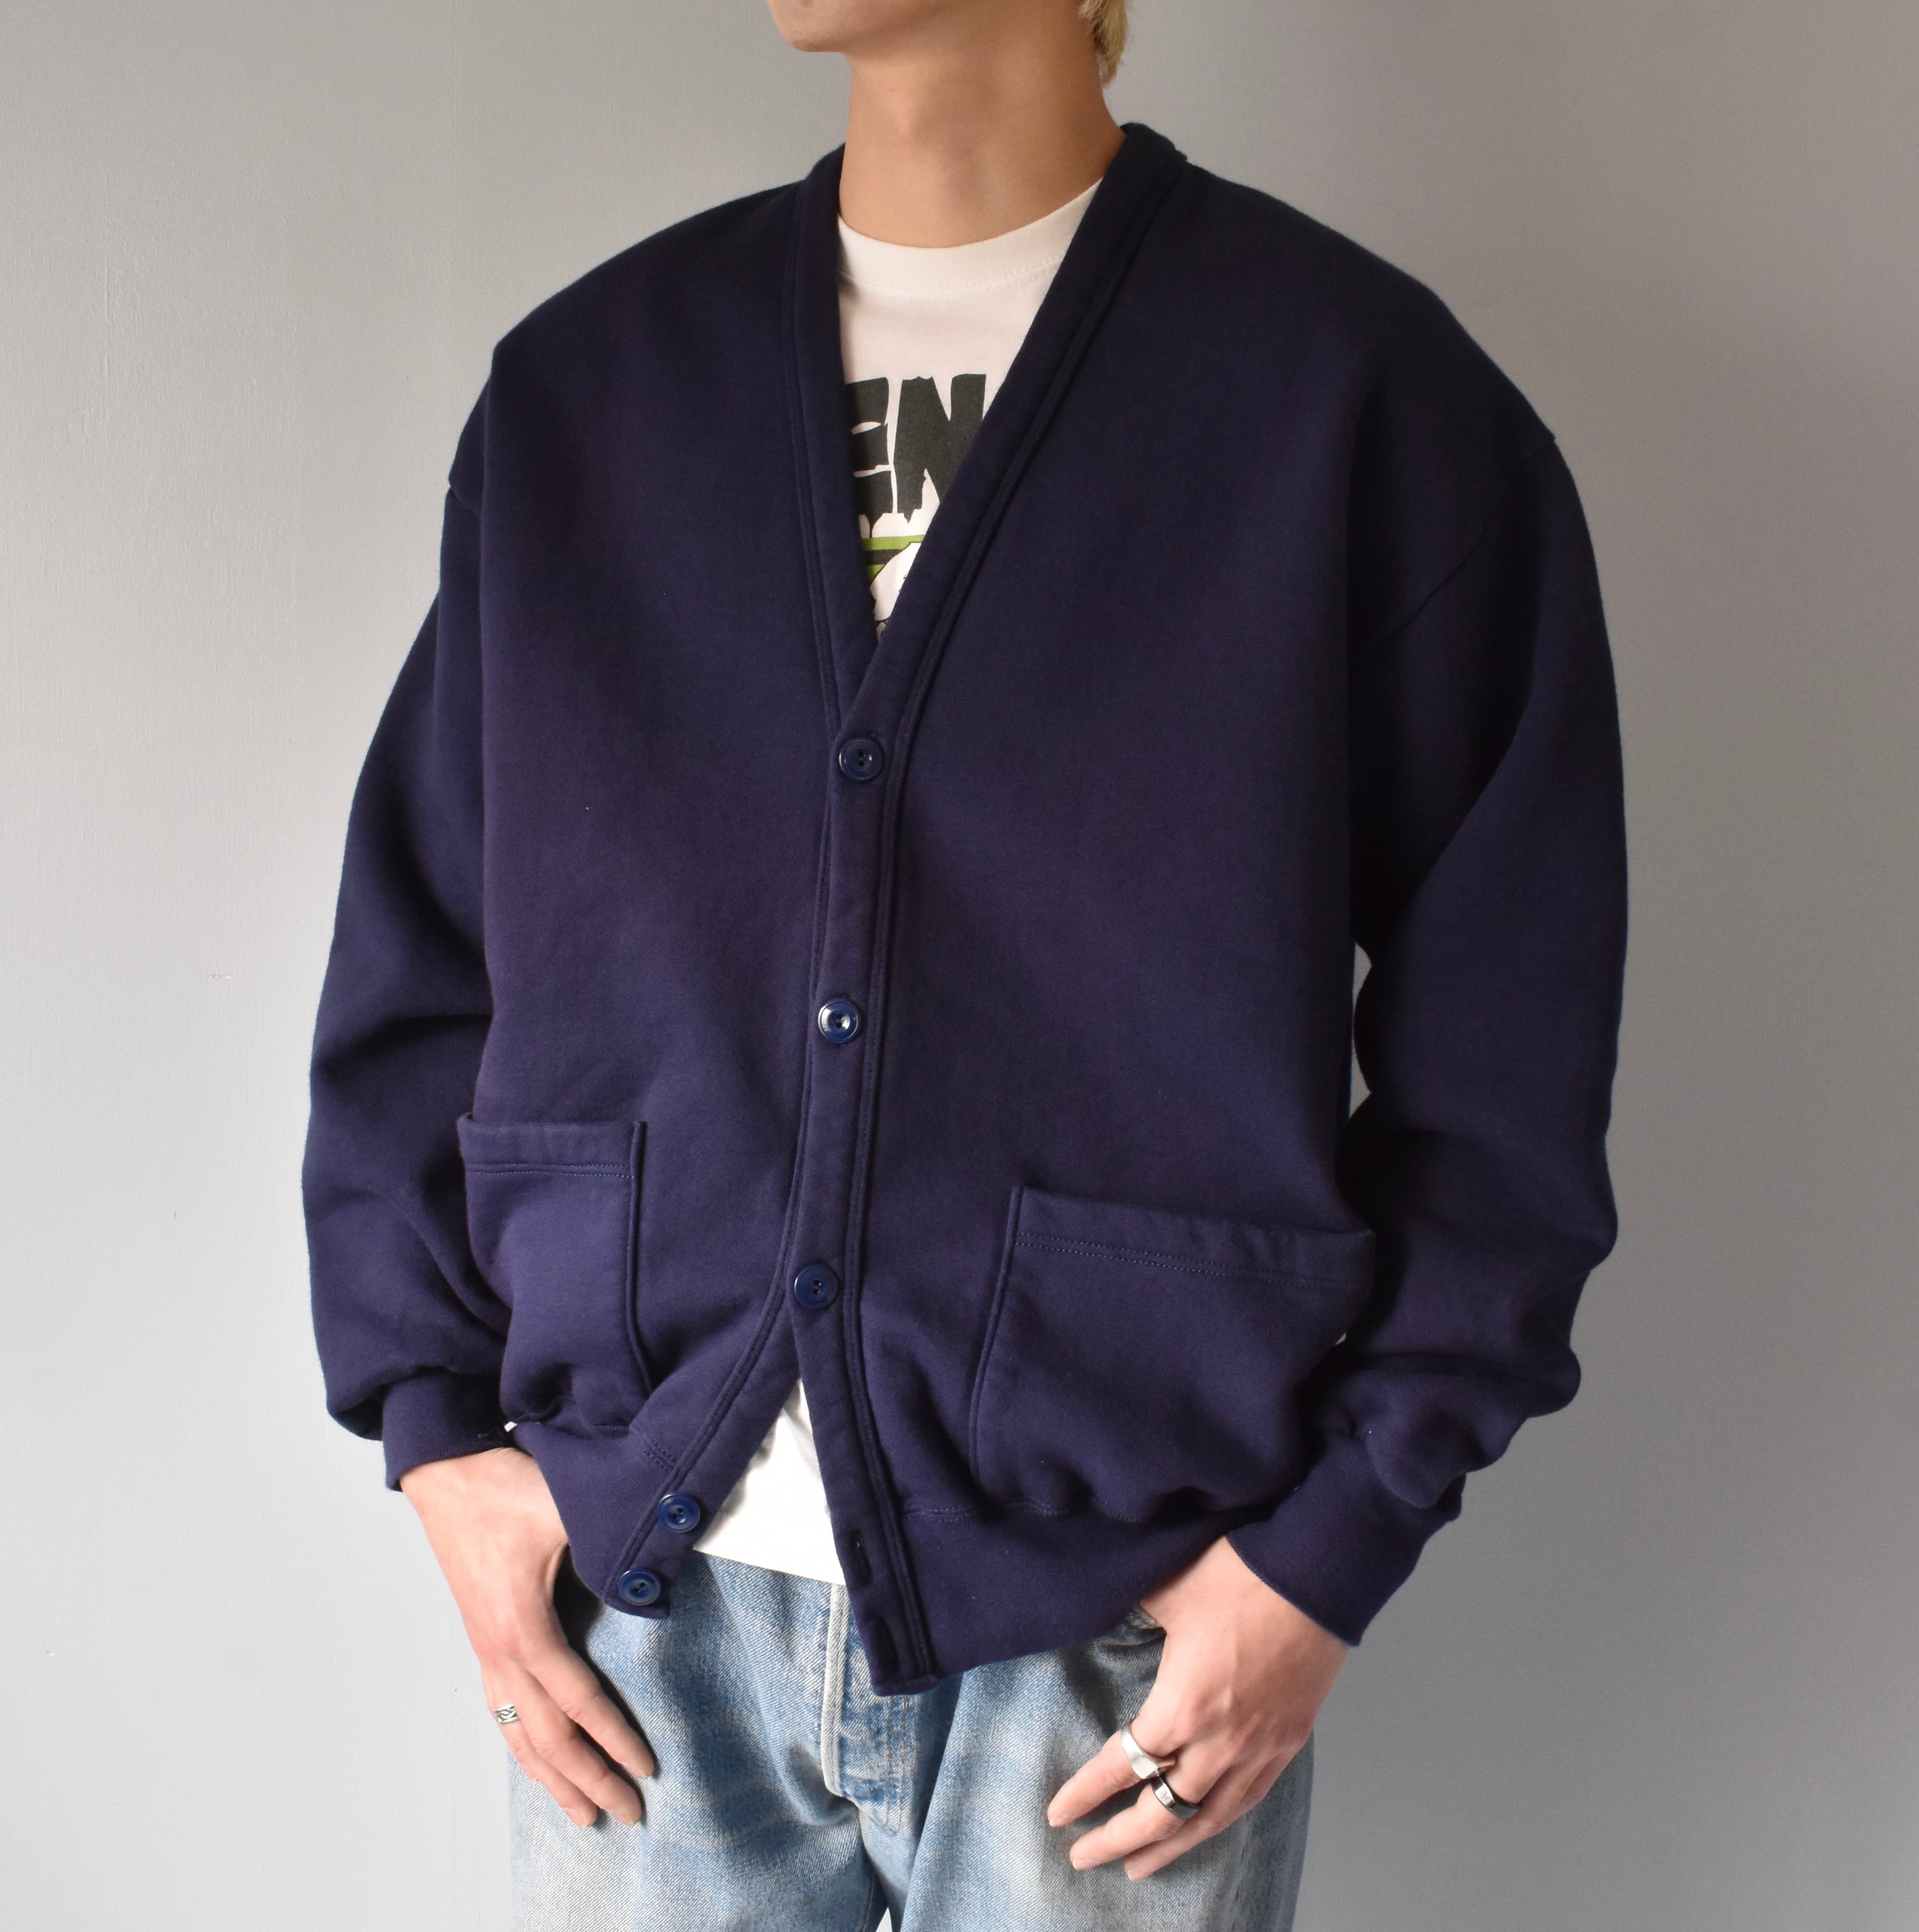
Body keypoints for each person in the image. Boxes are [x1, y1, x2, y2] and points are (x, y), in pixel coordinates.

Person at [302, 0, 1627, 1924]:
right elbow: (421, 954)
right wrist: (438, 1441)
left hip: (1115, 1626)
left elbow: (1511, 1048)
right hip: (645, 1611)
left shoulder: (1349, 396)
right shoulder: (593, 392)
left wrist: (1326, 1560)